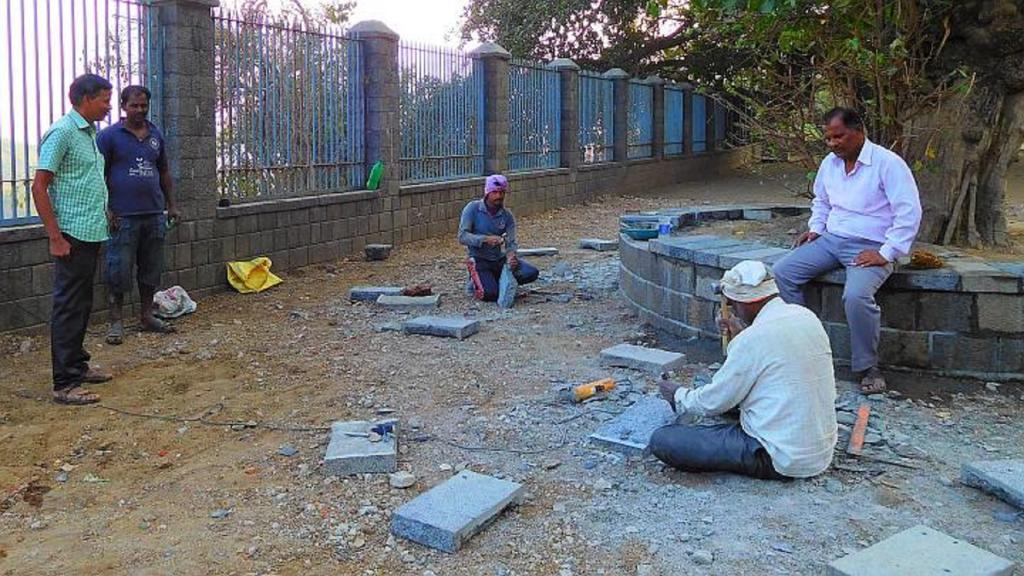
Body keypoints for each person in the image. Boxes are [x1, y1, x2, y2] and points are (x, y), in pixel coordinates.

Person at [772, 107, 922, 394]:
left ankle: (868, 367)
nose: (833, 144)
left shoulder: (887, 163)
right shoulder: (830, 164)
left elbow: (909, 212)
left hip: (870, 246)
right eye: (828, 139)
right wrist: (816, 228)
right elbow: (822, 201)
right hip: (831, 239)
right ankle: (805, 349)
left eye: (838, 136)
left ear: (858, 130)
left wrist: (887, 252)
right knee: (782, 273)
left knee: (855, 296)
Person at [652, 260, 837, 480]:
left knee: (664, 439)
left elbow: (713, 402)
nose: (734, 311)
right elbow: (767, 362)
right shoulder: (805, 316)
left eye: (733, 304)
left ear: (748, 302)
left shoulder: (753, 339)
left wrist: (678, 395)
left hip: (778, 457)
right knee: (712, 388)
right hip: (820, 452)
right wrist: (739, 337)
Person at [31, 74, 114, 405]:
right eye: (105, 100)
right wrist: (55, 237)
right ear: (85, 99)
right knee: (68, 306)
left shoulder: (89, 134)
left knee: (81, 302)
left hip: (90, 230)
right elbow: (39, 187)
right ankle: (64, 383)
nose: (109, 106)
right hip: (71, 235)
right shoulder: (63, 132)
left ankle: (78, 366)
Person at [97, 85, 179, 344]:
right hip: (122, 216)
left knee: (150, 269)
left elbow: (163, 171)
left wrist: (172, 205)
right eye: (134, 105)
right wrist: (106, 208)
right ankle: (116, 322)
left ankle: (146, 316)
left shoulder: (155, 135)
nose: (140, 110)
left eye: (144, 106)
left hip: (154, 214)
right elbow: (98, 175)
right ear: (123, 107)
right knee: (118, 271)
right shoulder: (109, 137)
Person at [458, 174, 539, 301]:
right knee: (491, 295)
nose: (498, 196)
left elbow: (511, 242)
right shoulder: (472, 209)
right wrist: (485, 239)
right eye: (494, 192)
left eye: (501, 192)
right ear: (487, 192)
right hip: (480, 259)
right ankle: (476, 280)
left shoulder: (507, 215)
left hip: (499, 260)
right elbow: (462, 236)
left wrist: (511, 256)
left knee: (531, 273)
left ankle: (493, 280)